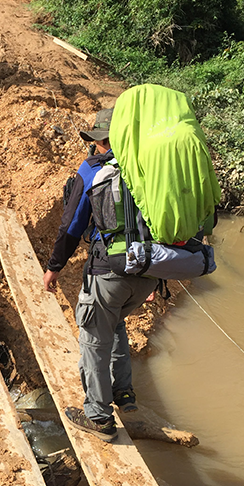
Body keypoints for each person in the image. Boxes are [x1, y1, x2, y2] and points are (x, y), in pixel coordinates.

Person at [43, 108, 157, 442]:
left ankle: (98, 417)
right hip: (148, 271)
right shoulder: (149, 168)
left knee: (94, 339)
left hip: (107, 272)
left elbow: (71, 225)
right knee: (115, 322)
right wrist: (156, 277)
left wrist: (54, 267)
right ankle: (124, 394)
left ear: (102, 140)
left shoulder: (92, 169)